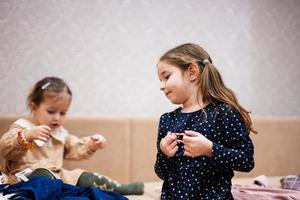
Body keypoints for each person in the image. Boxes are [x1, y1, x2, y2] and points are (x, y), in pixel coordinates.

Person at [0, 76, 144, 195]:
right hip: (26, 178)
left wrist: (91, 144)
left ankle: (124, 188)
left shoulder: (59, 133)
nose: (57, 118)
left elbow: (74, 148)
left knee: (83, 176)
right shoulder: (23, 127)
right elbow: (5, 147)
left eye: (62, 113)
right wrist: (27, 136)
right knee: (42, 176)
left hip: (58, 177)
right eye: (51, 111)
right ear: (34, 107)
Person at [154, 43, 256, 199]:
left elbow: (247, 160)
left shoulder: (223, 112)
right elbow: (161, 172)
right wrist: (164, 153)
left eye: (166, 77)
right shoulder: (167, 120)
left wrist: (210, 149)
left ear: (192, 72)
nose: (162, 86)